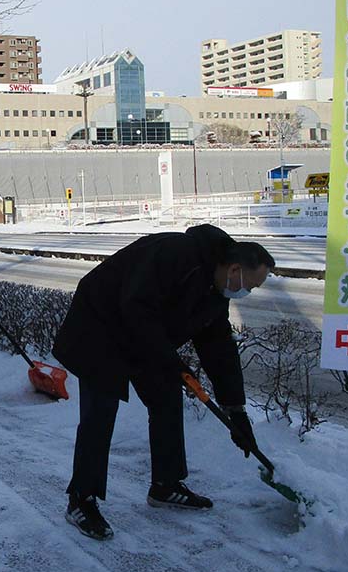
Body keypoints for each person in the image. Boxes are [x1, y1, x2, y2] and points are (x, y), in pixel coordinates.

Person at [52, 224, 275, 541]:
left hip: (142, 333)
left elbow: (217, 348)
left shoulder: (216, 291)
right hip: (100, 325)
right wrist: (171, 360)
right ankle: (81, 500)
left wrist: (236, 411)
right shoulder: (177, 255)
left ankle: (165, 485)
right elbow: (136, 306)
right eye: (250, 286)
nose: (247, 293)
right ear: (235, 269)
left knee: (167, 397)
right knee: (100, 412)